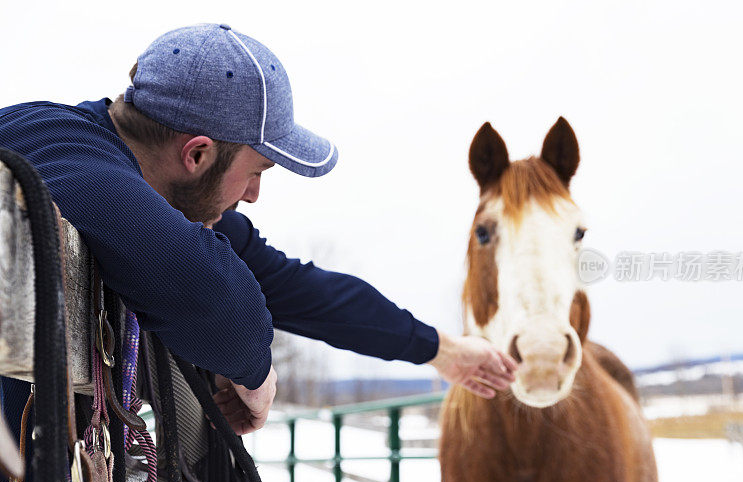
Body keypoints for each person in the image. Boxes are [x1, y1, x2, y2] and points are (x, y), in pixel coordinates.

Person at [0, 23, 515, 448]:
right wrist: (255, 372)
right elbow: (221, 305)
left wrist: (441, 349)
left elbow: (299, 290)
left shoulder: (168, 202)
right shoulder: (54, 149)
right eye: (257, 170)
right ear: (197, 154)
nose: (253, 194)